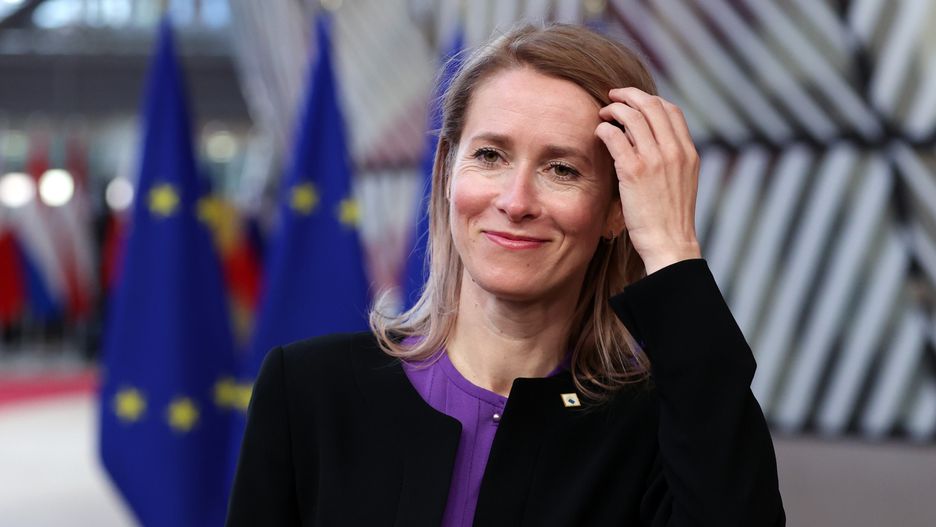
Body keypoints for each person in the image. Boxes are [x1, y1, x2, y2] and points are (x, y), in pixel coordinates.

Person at [227, 23, 785, 527]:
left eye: (562, 169)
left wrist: (670, 247)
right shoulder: (307, 392)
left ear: (618, 209)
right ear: (447, 172)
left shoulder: (656, 428)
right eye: (491, 156)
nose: (516, 202)